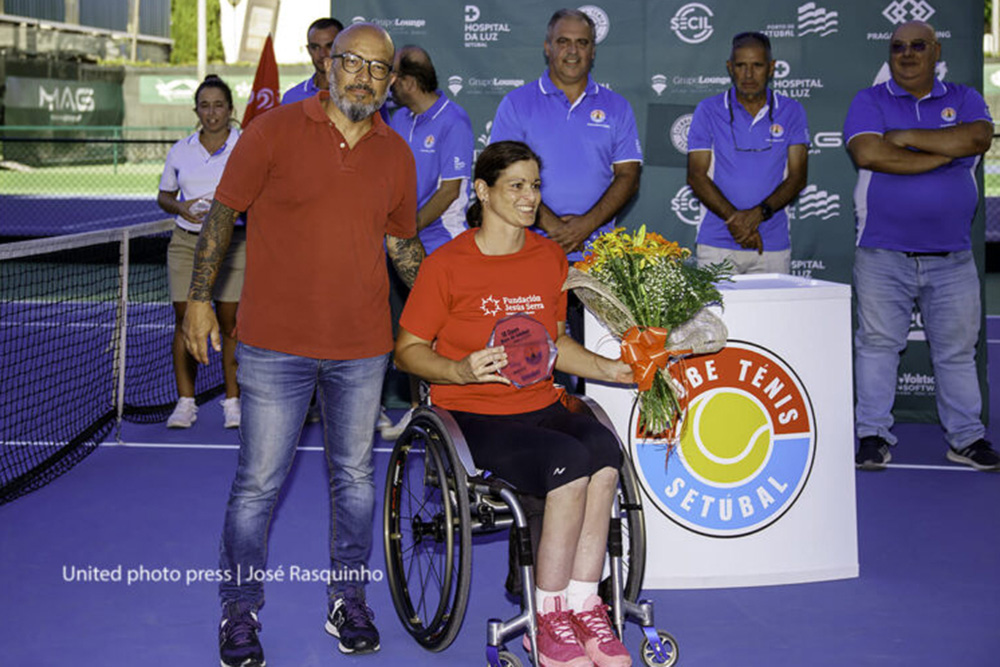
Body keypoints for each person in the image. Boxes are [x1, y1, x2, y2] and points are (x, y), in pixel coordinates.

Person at [182, 23, 423, 666]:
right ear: (329, 64)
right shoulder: (272, 131)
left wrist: (440, 313)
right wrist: (200, 299)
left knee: (356, 481)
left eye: (378, 69)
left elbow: (402, 246)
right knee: (257, 485)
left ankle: (348, 600)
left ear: (390, 80)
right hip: (273, 347)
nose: (364, 77)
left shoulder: (398, 155)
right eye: (354, 63)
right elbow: (222, 216)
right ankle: (239, 609)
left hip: (362, 350)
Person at [395, 141, 636, 667]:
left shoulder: (548, 257)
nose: (530, 198)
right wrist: (458, 369)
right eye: (517, 186)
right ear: (483, 192)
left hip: (540, 404)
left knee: (604, 452)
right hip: (474, 414)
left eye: (536, 186)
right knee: (568, 463)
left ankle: (584, 607)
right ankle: (546, 623)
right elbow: (407, 350)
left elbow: (556, 343)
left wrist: (611, 368)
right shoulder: (447, 265)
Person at [844, 20, 999, 472]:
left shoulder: (965, 97)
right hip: (882, 252)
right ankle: (872, 436)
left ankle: (966, 438)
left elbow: (978, 138)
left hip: (952, 256)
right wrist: (945, 152)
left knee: (957, 353)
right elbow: (869, 153)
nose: (907, 54)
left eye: (917, 45)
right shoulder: (870, 99)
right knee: (877, 346)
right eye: (898, 47)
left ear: (936, 51)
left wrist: (906, 139)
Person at [489, 8, 642, 389]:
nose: (572, 51)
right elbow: (505, 174)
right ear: (547, 47)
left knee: (600, 359)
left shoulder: (617, 107)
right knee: (534, 360)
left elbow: (628, 176)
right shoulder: (517, 104)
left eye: (582, 43)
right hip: (531, 252)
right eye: (563, 41)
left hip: (599, 259)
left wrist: (584, 226)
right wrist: (554, 226)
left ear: (593, 51)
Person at [381, 44, 474, 440]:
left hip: (441, 243)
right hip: (398, 241)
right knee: (404, 328)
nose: (387, 83)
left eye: (391, 75)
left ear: (407, 81)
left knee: (436, 332)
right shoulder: (398, 118)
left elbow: (449, 191)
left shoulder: (454, 120)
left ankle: (438, 410)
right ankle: (411, 408)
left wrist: (406, 230)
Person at [157, 74, 243, 429]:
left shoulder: (246, 146)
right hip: (186, 243)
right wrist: (182, 207)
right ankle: (185, 402)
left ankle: (233, 402)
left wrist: (232, 211)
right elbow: (164, 196)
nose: (212, 113)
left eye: (218, 105)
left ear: (230, 109)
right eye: (205, 106)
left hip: (234, 245)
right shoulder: (180, 150)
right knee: (184, 321)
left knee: (230, 324)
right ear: (196, 111)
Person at [686, 31, 809, 274]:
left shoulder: (792, 111)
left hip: (771, 245)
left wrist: (758, 215)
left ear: (771, 68)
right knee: (712, 304)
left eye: (757, 65)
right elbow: (696, 176)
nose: (748, 74)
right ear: (730, 67)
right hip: (717, 243)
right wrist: (738, 223)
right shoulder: (708, 110)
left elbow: (798, 178)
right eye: (741, 65)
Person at [281, 17, 343, 105]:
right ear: (309, 50)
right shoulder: (292, 98)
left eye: (330, 46)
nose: (322, 54)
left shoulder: (357, 95)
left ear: (345, 47)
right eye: (315, 47)